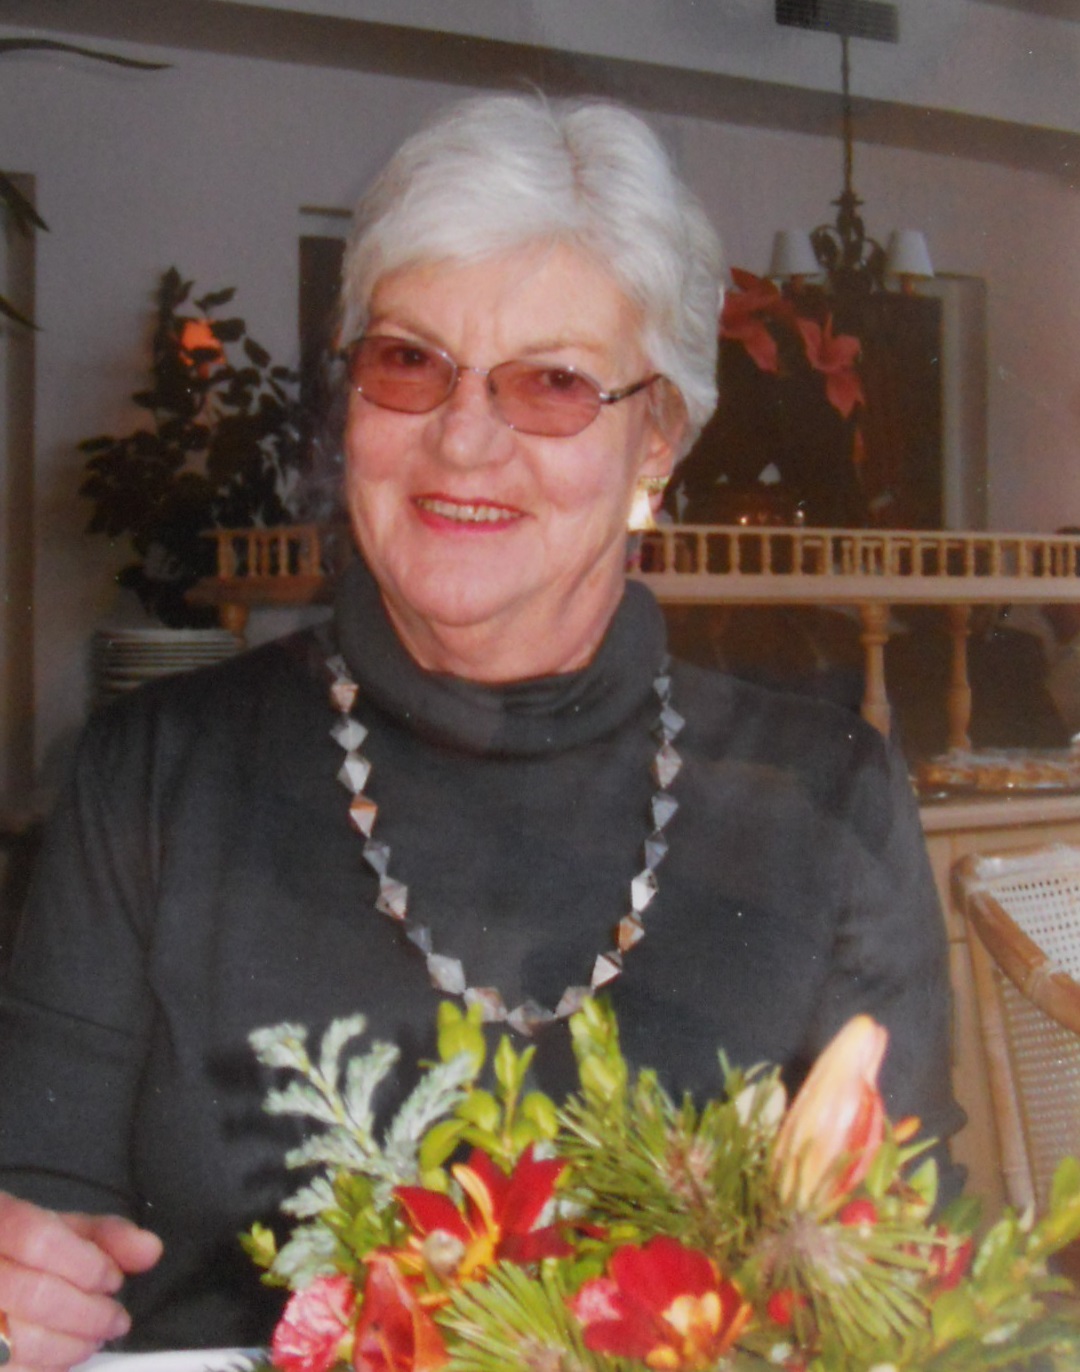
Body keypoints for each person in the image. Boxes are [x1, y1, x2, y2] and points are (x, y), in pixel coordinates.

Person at [0, 94, 964, 1365]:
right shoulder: (151, 777)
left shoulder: (827, 797)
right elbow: (38, 1201)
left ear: (657, 442)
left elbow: (910, 1290)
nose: (462, 441)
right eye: (411, 362)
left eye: (553, 383)